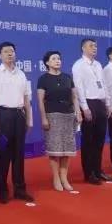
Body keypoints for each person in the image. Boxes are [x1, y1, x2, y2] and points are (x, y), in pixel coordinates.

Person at [0, 41, 33, 203]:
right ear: (0, 55)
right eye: (6, 51)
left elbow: (26, 99)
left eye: (12, 51)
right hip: (2, 115)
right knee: (2, 155)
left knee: (19, 154)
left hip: (19, 115)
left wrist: (29, 120)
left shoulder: (21, 74)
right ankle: (2, 191)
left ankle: (20, 189)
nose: (10, 54)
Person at [37, 51, 82, 192]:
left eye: (59, 58)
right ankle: (56, 178)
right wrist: (44, 118)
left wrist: (78, 112)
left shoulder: (67, 77)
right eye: (54, 58)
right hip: (52, 116)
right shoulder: (43, 79)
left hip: (68, 116)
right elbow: (40, 101)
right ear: (47, 63)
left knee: (67, 149)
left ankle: (64, 178)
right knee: (55, 150)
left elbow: (74, 97)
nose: (57, 61)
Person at [72, 38, 112, 185]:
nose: (94, 48)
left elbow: (103, 85)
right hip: (88, 103)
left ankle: (98, 170)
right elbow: (78, 88)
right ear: (83, 48)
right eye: (91, 46)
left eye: (96, 46)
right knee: (88, 141)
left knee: (99, 140)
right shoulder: (78, 65)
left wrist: (108, 104)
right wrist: (84, 107)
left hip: (100, 103)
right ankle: (89, 173)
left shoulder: (98, 65)